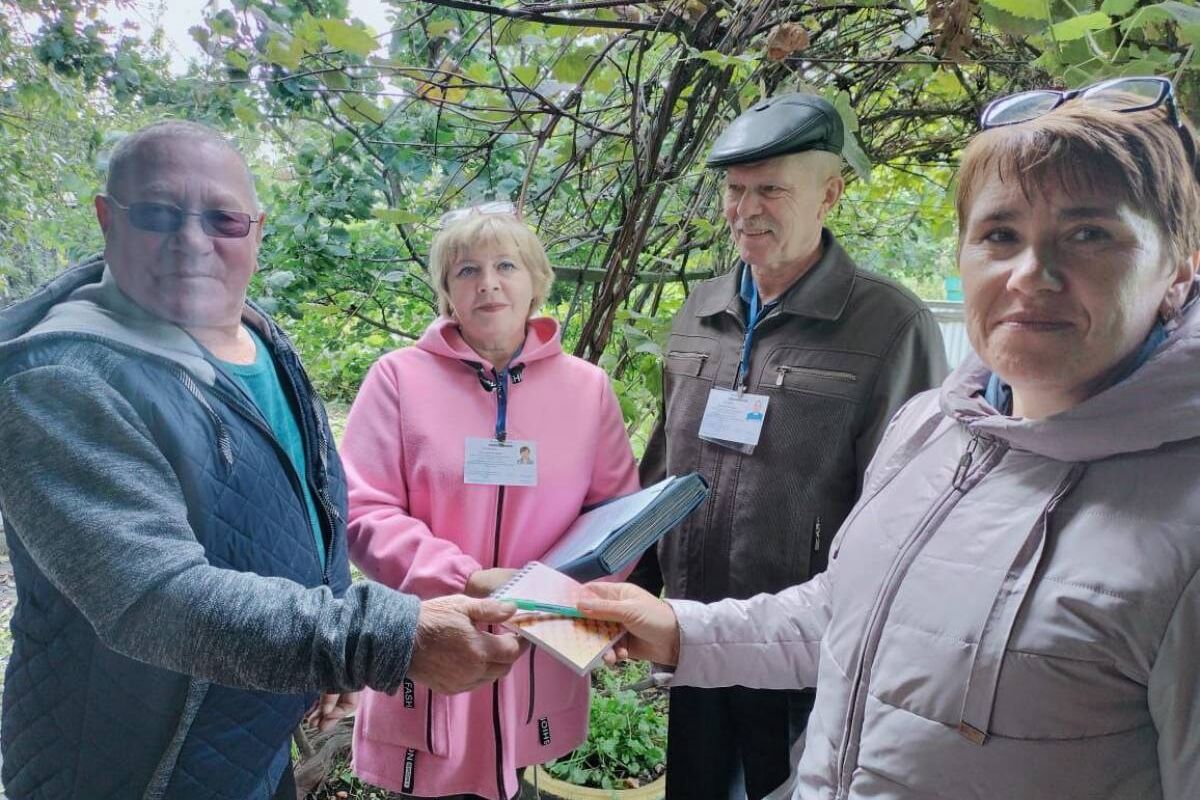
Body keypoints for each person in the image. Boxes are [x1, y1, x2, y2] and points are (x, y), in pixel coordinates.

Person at [581, 76, 1200, 800]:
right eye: (1001, 234)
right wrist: (673, 622)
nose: (1034, 273)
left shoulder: (1181, 528)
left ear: (1179, 272)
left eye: (1090, 234)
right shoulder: (934, 431)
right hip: (722, 642)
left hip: (783, 701)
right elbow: (853, 609)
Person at [0, 120, 523, 800]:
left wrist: (321, 658)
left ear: (256, 229)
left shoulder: (256, 334)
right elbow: (155, 599)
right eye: (159, 213)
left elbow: (303, 509)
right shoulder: (63, 379)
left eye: (222, 219)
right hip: (132, 768)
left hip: (249, 740)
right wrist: (382, 639)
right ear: (108, 218)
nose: (193, 242)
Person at [631, 93, 947, 799]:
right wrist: (632, 593)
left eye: (770, 189)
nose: (745, 211)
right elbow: (664, 460)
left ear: (829, 194)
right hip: (696, 630)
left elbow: (910, 507)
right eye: (735, 190)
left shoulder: (889, 325)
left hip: (808, 650)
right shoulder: (700, 310)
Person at [340, 210, 639, 800]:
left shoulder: (586, 388)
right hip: (437, 632)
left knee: (523, 776)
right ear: (447, 291)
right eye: (467, 270)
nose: (489, 283)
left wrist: (548, 598)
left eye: (506, 265)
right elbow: (361, 510)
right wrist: (470, 578)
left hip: (538, 637)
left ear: (536, 279)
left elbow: (617, 515)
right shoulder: (397, 379)